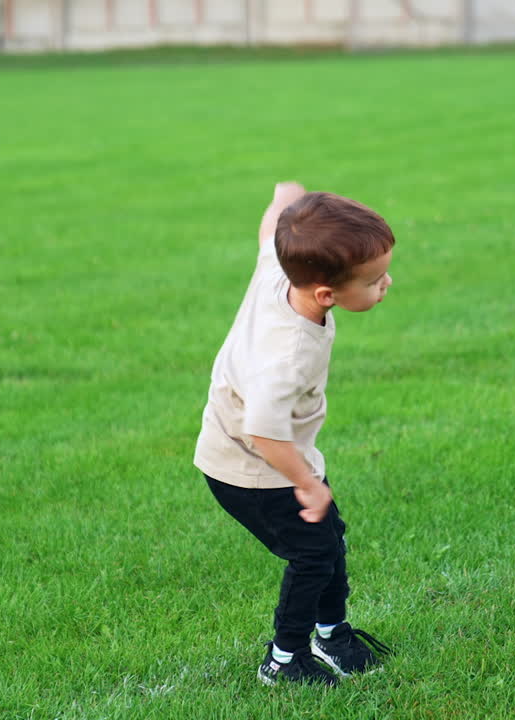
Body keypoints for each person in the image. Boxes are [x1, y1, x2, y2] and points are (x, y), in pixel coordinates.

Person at [194, 182, 396, 686]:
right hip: (250, 467)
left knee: (328, 540)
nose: (386, 283)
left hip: (273, 453)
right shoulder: (288, 354)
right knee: (312, 554)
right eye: (374, 281)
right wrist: (306, 483)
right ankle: (284, 660)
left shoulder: (280, 269)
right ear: (327, 294)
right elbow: (263, 431)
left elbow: (273, 228)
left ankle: (330, 633)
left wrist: (287, 197)